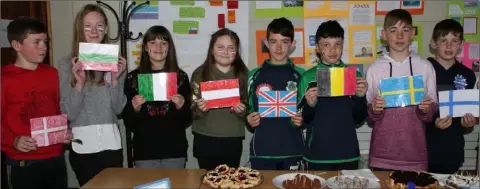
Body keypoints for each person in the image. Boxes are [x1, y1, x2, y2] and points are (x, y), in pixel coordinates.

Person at [58, 4, 126, 186]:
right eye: (88, 26)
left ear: (105, 29)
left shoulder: (115, 61)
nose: (94, 31)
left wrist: (115, 81)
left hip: (111, 145)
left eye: (100, 25)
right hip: (83, 147)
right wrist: (79, 84)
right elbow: (69, 113)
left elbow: (119, 109)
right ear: (80, 29)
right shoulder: (67, 63)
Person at [1, 17, 71, 188]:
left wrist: (66, 129)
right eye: (36, 42)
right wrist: (13, 140)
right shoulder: (4, 78)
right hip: (23, 162)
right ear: (17, 46)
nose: (44, 47)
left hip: (55, 157)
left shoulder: (52, 73)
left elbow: (58, 109)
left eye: (45, 41)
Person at [366, 9, 438, 171]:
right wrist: (375, 109)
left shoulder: (425, 67)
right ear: (383, 34)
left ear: (412, 33)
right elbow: (370, 117)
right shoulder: (374, 69)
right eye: (393, 30)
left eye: (405, 30)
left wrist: (426, 109)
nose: (399, 36)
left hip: (415, 157)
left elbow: (432, 111)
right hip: (381, 158)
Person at [298, 20, 368, 170]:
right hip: (317, 154)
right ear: (317, 47)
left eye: (338, 44)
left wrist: (360, 97)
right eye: (326, 45)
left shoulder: (353, 75)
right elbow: (304, 120)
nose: (333, 49)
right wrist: (309, 106)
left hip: (348, 153)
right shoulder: (308, 77)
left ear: (343, 46)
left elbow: (358, 119)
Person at [122, 25, 192, 169]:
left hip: (174, 152)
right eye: (153, 42)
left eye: (163, 43)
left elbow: (188, 119)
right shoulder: (133, 78)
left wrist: (181, 106)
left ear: (169, 48)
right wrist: (134, 108)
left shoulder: (181, 78)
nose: (158, 47)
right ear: (146, 47)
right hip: (145, 152)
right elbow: (128, 121)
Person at [246, 17, 304, 170]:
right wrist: (249, 119)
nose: (278, 47)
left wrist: (303, 119)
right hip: (262, 152)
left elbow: (309, 112)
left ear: (292, 44)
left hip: (293, 151)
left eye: (284, 42)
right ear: (266, 43)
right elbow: (247, 109)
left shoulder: (302, 76)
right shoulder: (253, 75)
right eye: (273, 41)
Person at [190, 28, 249, 170]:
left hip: (232, 139)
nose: (226, 52)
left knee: (229, 181)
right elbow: (192, 110)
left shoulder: (243, 74)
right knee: (208, 180)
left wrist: (242, 110)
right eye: (220, 47)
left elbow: (248, 108)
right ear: (212, 49)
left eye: (231, 48)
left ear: (236, 52)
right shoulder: (200, 74)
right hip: (205, 138)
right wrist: (200, 109)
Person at [426, 19, 478, 174]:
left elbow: (471, 116)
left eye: (454, 41)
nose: (449, 46)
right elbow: (413, 112)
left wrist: (468, 122)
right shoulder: (423, 69)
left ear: (461, 44)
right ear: (433, 43)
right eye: (443, 40)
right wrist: (433, 123)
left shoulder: (468, 75)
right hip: (424, 149)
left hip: (452, 150)